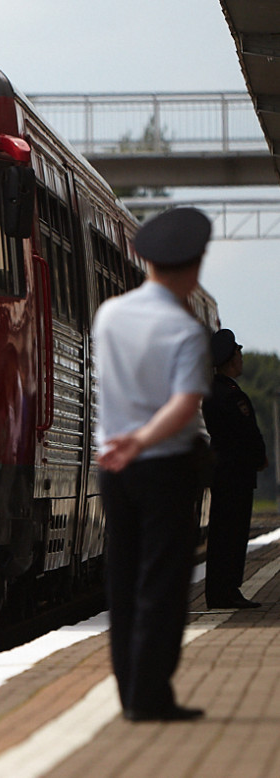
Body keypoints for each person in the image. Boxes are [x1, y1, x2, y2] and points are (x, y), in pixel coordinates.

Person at [93, 206, 213, 723]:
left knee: (122, 577)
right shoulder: (184, 331)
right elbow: (185, 405)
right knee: (161, 581)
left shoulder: (109, 315)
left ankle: (128, 692)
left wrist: (125, 443)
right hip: (162, 466)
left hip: (112, 466)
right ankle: (151, 696)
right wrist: (142, 441)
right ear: (192, 267)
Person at [203, 328, 268, 609]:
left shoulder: (212, 392)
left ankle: (218, 591)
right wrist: (259, 458)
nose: (242, 358)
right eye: (239, 353)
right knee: (233, 535)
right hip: (237, 474)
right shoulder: (232, 395)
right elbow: (248, 434)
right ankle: (228, 591)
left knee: (220, 535)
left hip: (221, 473)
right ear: (231, 358)